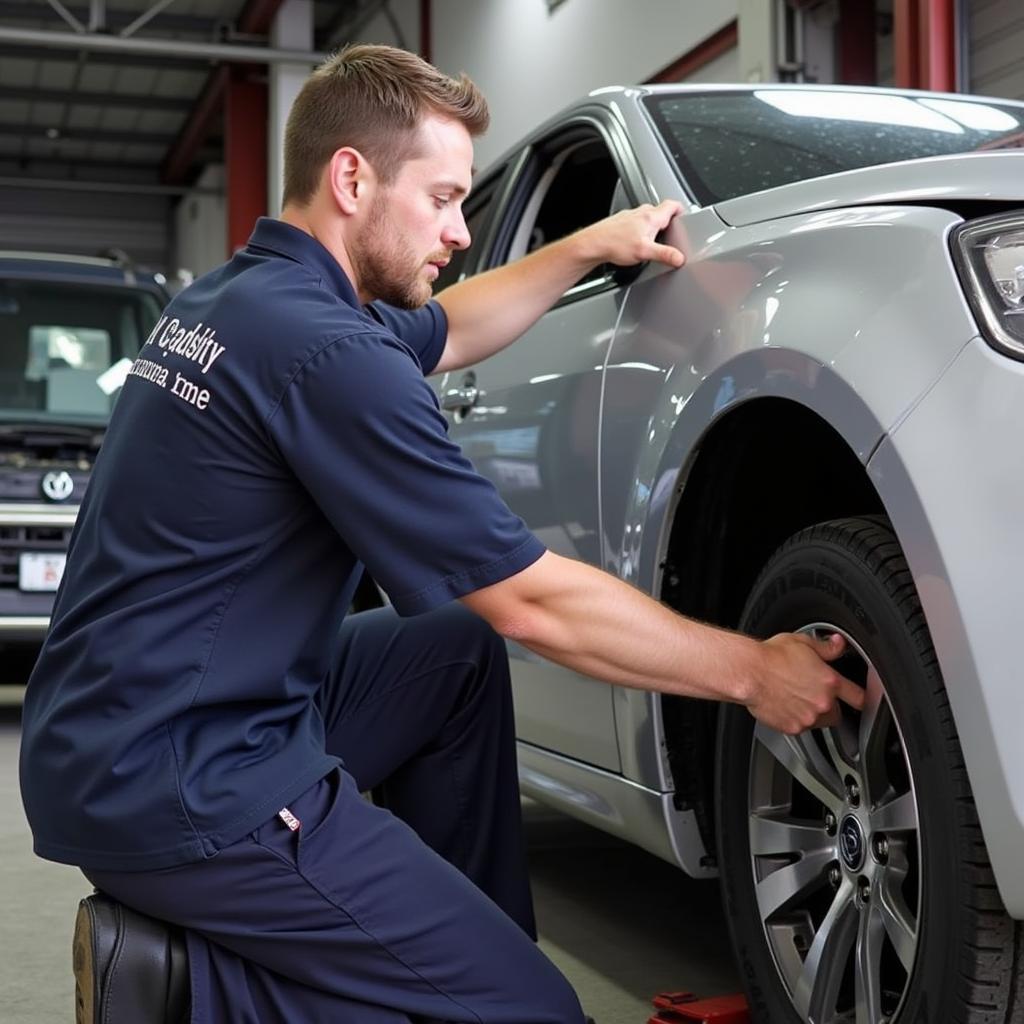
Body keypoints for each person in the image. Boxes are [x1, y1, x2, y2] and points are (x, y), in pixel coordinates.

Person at [20, 44, 862, 1024]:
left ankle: (460, 949)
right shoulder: (327, 352)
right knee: (535, 1012)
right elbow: (531, 601)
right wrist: (755, 672)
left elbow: (451, 327)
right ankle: (181, 984)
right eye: (445, 198)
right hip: (190, 780)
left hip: (111, 728)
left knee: (447, 649)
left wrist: (591, 245)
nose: (462, 231)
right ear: (351, 177)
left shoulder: (238, 299)